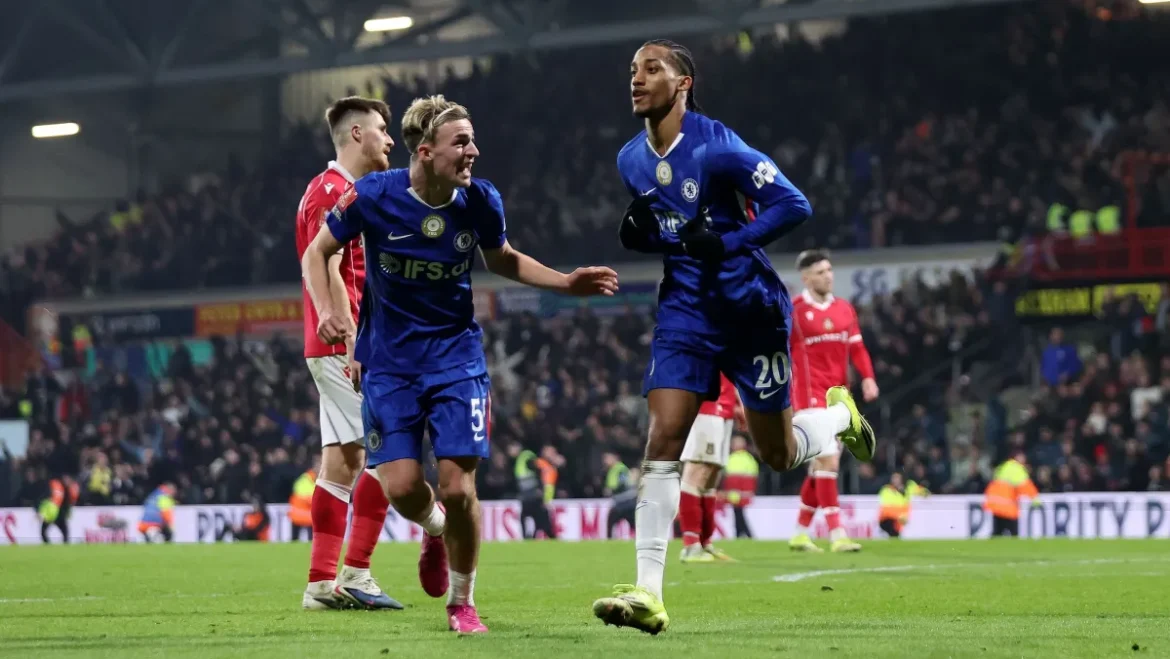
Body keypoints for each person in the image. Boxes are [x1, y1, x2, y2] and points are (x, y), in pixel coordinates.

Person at [302, 94, 619, 634]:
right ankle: (434, 530)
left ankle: (461, 602)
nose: (473, 151)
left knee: (457, 486)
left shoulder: (479, 201)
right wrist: (331, 312)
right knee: (400, 486)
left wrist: (566, 283)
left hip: (455, 361)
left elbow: (504, 259)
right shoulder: (374, 196)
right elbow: (317, 252)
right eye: (461, 142)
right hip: (390, 365)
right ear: (425, 152)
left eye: (472, 140)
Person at [592, 39, 876, 635]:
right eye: (632, 72)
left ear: (684, 82)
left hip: (751, 310)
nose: (637, 81)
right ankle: (649, 592)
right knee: (664, 435)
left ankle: (835, 421)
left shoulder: (718, 146)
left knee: (776, 454)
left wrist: (726, 243)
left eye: (652, 70)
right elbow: (673, 229)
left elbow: (792, 204)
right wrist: (646, 238)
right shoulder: (629, 160)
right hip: (686, 311)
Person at [295, 95, 408, 612]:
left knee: (341, 462)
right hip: (347, 346)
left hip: (335, 344)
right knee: (388, 452)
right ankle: (358, 572)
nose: (390, 139)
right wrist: (344, 333)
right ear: (357, 134)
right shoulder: (335, 191)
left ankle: (321, 584)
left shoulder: (332, 189)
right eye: (383, 129)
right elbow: (328, 263)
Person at [787, 249, 879, 553]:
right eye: (821, 271)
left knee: (820, 467)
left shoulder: (844, 309)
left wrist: (868, 377)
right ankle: (837, 533)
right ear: (806, 277)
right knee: (829, 460)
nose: (828, 275)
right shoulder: (794, 311)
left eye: (829, 270)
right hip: (809, 397)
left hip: (840, 398)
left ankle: (800, 532)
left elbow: (858, 349)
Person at [677, 374, 738, 562]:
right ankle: (690, 546)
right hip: (706, 406)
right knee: (696, 472)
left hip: (724, 408)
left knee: (711, 478)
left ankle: (705, 543)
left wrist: (738, 403)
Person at [983, 452, 1040, 537]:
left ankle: (993, 548)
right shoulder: (1017, 468)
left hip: (995, 503)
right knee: (1014, 532)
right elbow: (1025, 486)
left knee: (997, 531)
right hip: (1007, 504)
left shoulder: (1004, 466)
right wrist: (1035, 500)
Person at [877, 472, 929, 538]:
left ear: (902, 478)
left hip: (903, 518)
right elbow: (886, 507)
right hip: (889, 518)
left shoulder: (909, 486)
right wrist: (898, 516)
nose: (895, 480)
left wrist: (925, 493)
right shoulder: (886, 490)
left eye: (897, 477)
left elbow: (920, 490)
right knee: (892, 529)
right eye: (893, 477)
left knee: (899, 532)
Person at [602, 453, 637, 538]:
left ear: (614, 458)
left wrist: (612, 490)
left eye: (607, 458)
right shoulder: (613, 469)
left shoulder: (620, 469)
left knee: (611, 521)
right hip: (624, 501)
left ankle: (609, 541)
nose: (605, 461)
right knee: (634, 524)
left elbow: (622, 483)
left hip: (626, 501)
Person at [38, 474, 79, 544]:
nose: (67, 481)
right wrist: (41, 512)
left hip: (59, 515)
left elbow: (70, 503)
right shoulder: (57, 488)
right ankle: (48, 546)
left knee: (65, 533)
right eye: (66, 478)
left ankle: (64, 547)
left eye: (68, 479)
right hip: (51, 514)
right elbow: (46, 499)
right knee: (43, 532)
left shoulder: (69, 490)